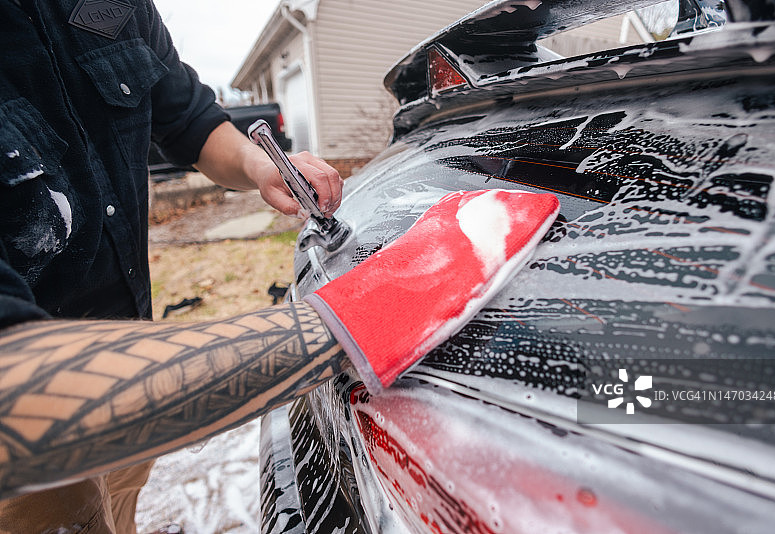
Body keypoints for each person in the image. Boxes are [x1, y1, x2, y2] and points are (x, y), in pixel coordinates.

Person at [0, 1, 560, 533]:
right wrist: (375, 313)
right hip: (28, 449)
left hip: (132, 348)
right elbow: (14, 390)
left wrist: (258, 161)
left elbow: (189, 122)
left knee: (117, 506)